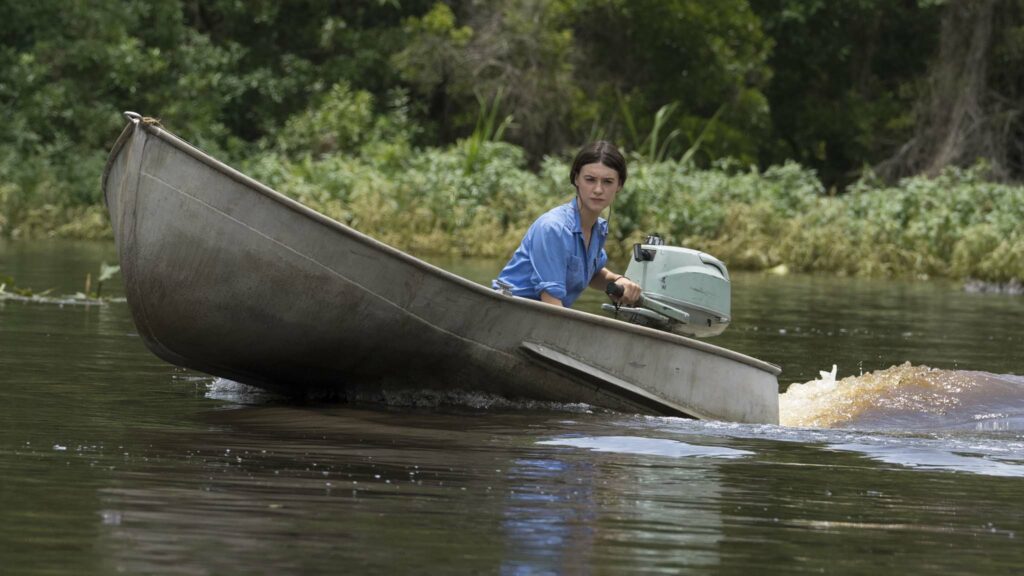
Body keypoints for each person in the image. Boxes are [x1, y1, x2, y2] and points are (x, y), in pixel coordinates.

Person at [493, 141, 642, 308]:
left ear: (619, 185)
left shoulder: (598, 229)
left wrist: (617, 280)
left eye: (607, 182)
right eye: (590, 180)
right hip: (508, 310)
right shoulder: (553, 228)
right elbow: (551, 303)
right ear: (576, 179)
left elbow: (591, 273)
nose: (598, 189)